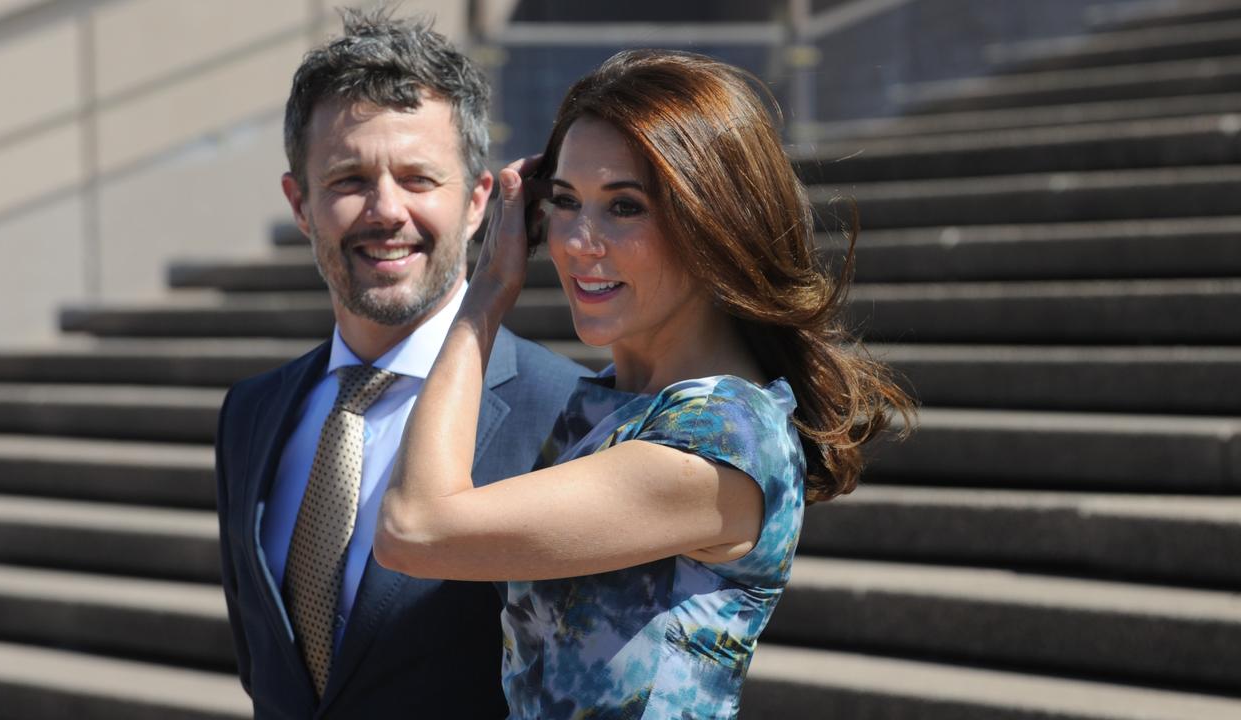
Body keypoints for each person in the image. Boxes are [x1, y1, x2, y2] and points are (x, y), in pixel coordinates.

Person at [374, 49, 915, 718]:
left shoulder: (721, 439)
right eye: (564, 201)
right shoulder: (603, 402)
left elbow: (413, 528)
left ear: (714, 221)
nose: (576, 241)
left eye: (624, 207)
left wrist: (485, 296)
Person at [214, 10, 585, 719]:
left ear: (478, 201)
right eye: (349, 179)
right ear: (300, 204)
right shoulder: (250, 414)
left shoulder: (570, 415)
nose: (386, 211)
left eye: (418, 178)